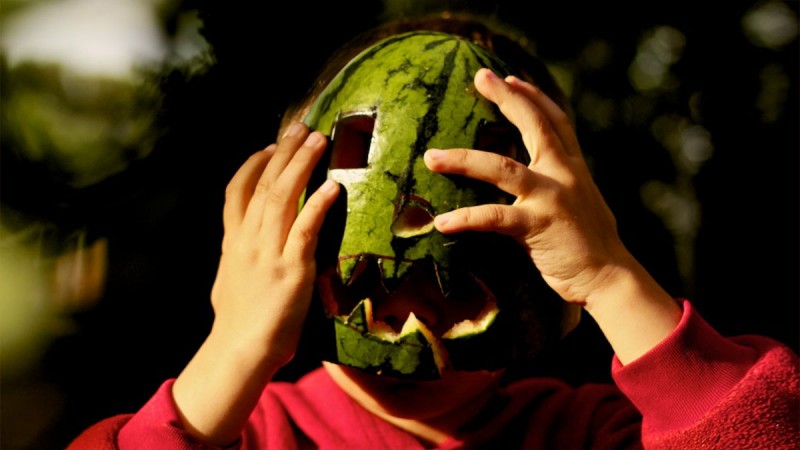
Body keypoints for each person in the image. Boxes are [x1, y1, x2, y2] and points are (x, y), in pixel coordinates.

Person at [68, 13, 798, 449]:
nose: (419, 225)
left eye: (479, 197)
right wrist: (232, 348)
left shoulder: (588, 434)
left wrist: (610, 279)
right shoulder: (249, 433)